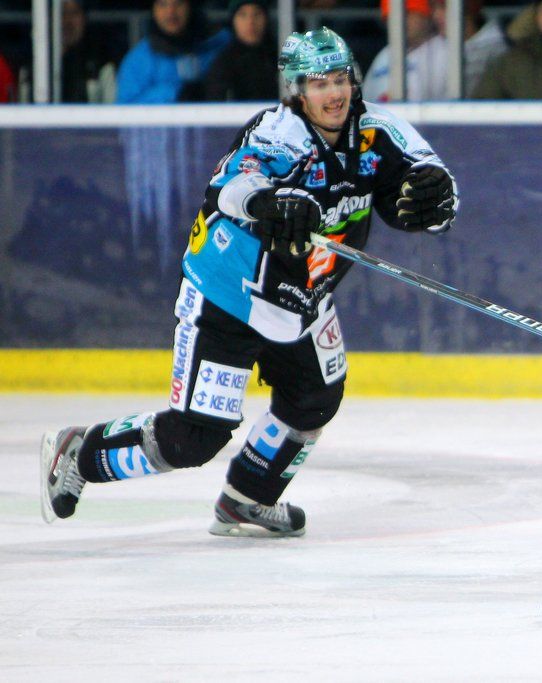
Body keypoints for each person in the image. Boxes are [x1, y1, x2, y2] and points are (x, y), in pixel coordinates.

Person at [41, 28, 458, 538]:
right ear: (297, 91)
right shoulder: (278, 133)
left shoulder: (379, 130)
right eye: (319, 83)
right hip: (229, 293)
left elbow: (430, 179)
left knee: (314, 398)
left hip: (303, 298)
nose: (334, 93)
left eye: (340, 79)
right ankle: (80, 453)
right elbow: (228, 186)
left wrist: (437, 204)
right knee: (193, 438)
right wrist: (268, 202)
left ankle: (248, 498)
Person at [116, 0, 230, 103]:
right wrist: (174, 94)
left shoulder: (220, 44)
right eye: (162, 4)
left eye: (178, 3)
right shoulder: (140, 59)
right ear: (153, 10)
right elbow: (125, 110)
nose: (170, 12)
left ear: (190, 6)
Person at [362, 0, 447, 101]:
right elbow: (366, 100)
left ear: (425, 15)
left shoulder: (445, 50)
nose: (399, 20)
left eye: (407, 14)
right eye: (390, 16)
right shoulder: (384, 55)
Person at [202, 0, 278, 101]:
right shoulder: (223, 64)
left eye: (257, 14)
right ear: (233, 20)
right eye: (243, 15)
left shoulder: (280, 58)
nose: (250, 22)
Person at [60, 0, 121, 102]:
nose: (67, 21)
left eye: (74, 13)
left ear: (84, 18)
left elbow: (112, 105)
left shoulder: (101, 61)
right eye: (63, 13)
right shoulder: (40, 65)